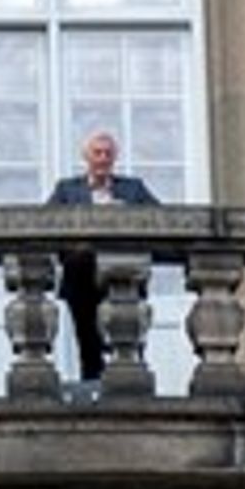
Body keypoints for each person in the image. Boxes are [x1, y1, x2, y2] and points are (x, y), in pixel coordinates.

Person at [44, 130, 160, 382]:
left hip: (124, 272)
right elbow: (45, 224)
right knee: (88, 341)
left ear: (115, 157)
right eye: (97, 153)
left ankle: (132, 387)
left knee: (130, 337)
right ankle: (92, 387)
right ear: (86, 157)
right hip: (81, 276)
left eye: (108, 153)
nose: (102, 158)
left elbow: (162, 220)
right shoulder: (66, 190)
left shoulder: (133, 188)